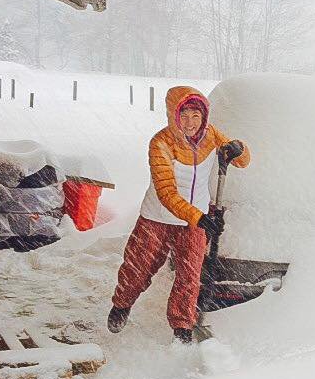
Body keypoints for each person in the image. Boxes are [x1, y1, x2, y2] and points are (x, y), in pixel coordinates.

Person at [107, 86, 251, 343]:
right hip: (158, 217)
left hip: (195, 221)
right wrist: (199, 217)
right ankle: (121, 304)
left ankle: (182, 326)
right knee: (137, 268)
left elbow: (242, 161)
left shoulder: (210, 136)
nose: (190, 123)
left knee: (190, 275)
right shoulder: (160, 143)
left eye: (196, 116)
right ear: (173, 115)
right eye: (184, 116)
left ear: (204, 117)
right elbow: (167, 193)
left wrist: (239, 149)